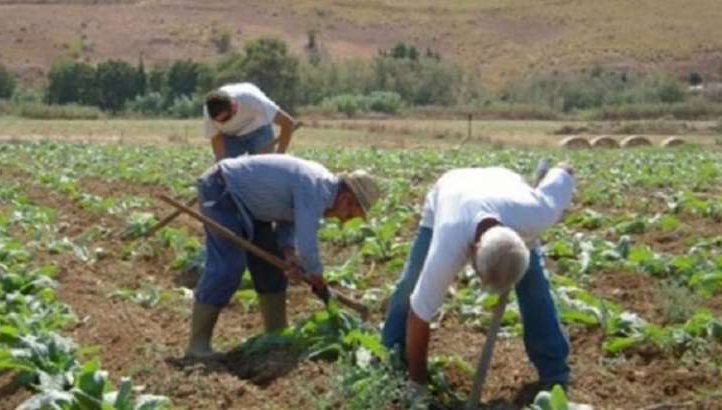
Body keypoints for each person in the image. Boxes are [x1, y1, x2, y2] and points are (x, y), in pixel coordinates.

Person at [381, 163, 576, 396]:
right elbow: (419, 313)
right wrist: (418, 383)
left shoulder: (538, 213)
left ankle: (554, 373)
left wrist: (562, 169)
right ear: (472, 251)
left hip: (506, 185)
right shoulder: (448, 243)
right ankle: (393, 352)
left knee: (536, 290)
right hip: (452, 188)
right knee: (411, 283)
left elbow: (563, 172)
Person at [186, 154, 381, 359]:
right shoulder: (316, 188)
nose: (343, 221)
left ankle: (276, 335)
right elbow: (307, 244)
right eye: (349, 215)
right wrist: (318, 279)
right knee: (228, 267)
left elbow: (288, 218)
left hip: (253, 205)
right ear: (346, 199)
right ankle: (197, 345)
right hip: (222, 189)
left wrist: (288, 252)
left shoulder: (320, 189)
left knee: (272, 267)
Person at [204, 82, 296, 160]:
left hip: (258, 131)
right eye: (219, 121)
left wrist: (279, 156)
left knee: (265, 169)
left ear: (233, 106)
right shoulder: (208, 112)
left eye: (225, 118)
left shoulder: (252, 100)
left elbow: (288, 123)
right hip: (230, 137)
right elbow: (216, 138)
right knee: (229, 171)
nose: (223, 123)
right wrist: (221, 163)